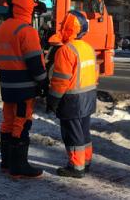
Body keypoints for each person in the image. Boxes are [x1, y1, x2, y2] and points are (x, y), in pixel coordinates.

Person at [0, 0, 49, 179]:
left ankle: (6, 163)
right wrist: (43, 82)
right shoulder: (26, 31)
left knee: (7, 122)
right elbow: (35, 62)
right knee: (21, 123)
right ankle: (19, 166)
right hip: (23, 88)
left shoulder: (2, 29)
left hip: (7, 86)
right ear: (27, 8)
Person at [47, 10, 98, 178]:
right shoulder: (87, 48)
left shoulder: (66, 50)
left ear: (68, 27)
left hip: (72, 100)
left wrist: (53, 100)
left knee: (72, 133)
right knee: (84, 131)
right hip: (88, 96)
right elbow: (95, 72)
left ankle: (76, 167)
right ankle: (86, 161)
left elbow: (61, 80)